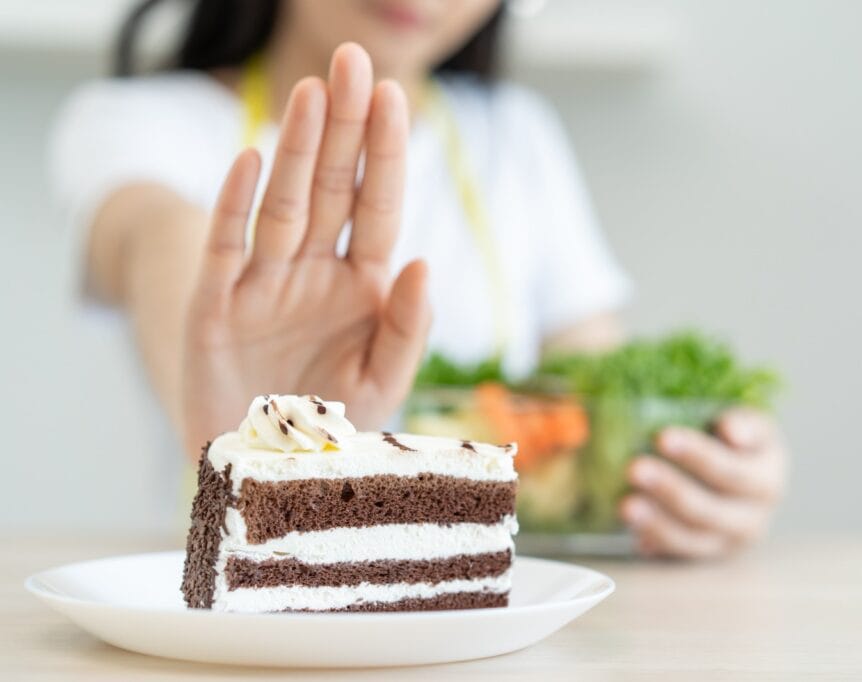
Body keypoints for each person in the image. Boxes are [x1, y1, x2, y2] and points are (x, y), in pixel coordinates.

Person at [51, 0, 787, 559]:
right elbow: (162, 239)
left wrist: (695, 471)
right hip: (251, 613)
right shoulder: (144, 124)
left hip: (487, 619)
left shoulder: (515, 137)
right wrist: (257, 427)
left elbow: (594, 397)